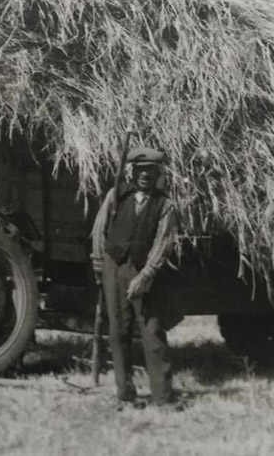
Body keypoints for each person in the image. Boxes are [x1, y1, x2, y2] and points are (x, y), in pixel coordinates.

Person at [90, 146, 182, 408]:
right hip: (114, 267)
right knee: (118, 331)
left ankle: (163, 398)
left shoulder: (165, 205)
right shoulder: (116, 196)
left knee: (152, 332)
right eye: (140, 170)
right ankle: (125, 395)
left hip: (144, 272)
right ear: (131, 172)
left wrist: (145, 276)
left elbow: (163, 244)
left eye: (150, 171)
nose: (145, 175)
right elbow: (100, 230)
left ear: (158, 174)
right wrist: (99, 267)